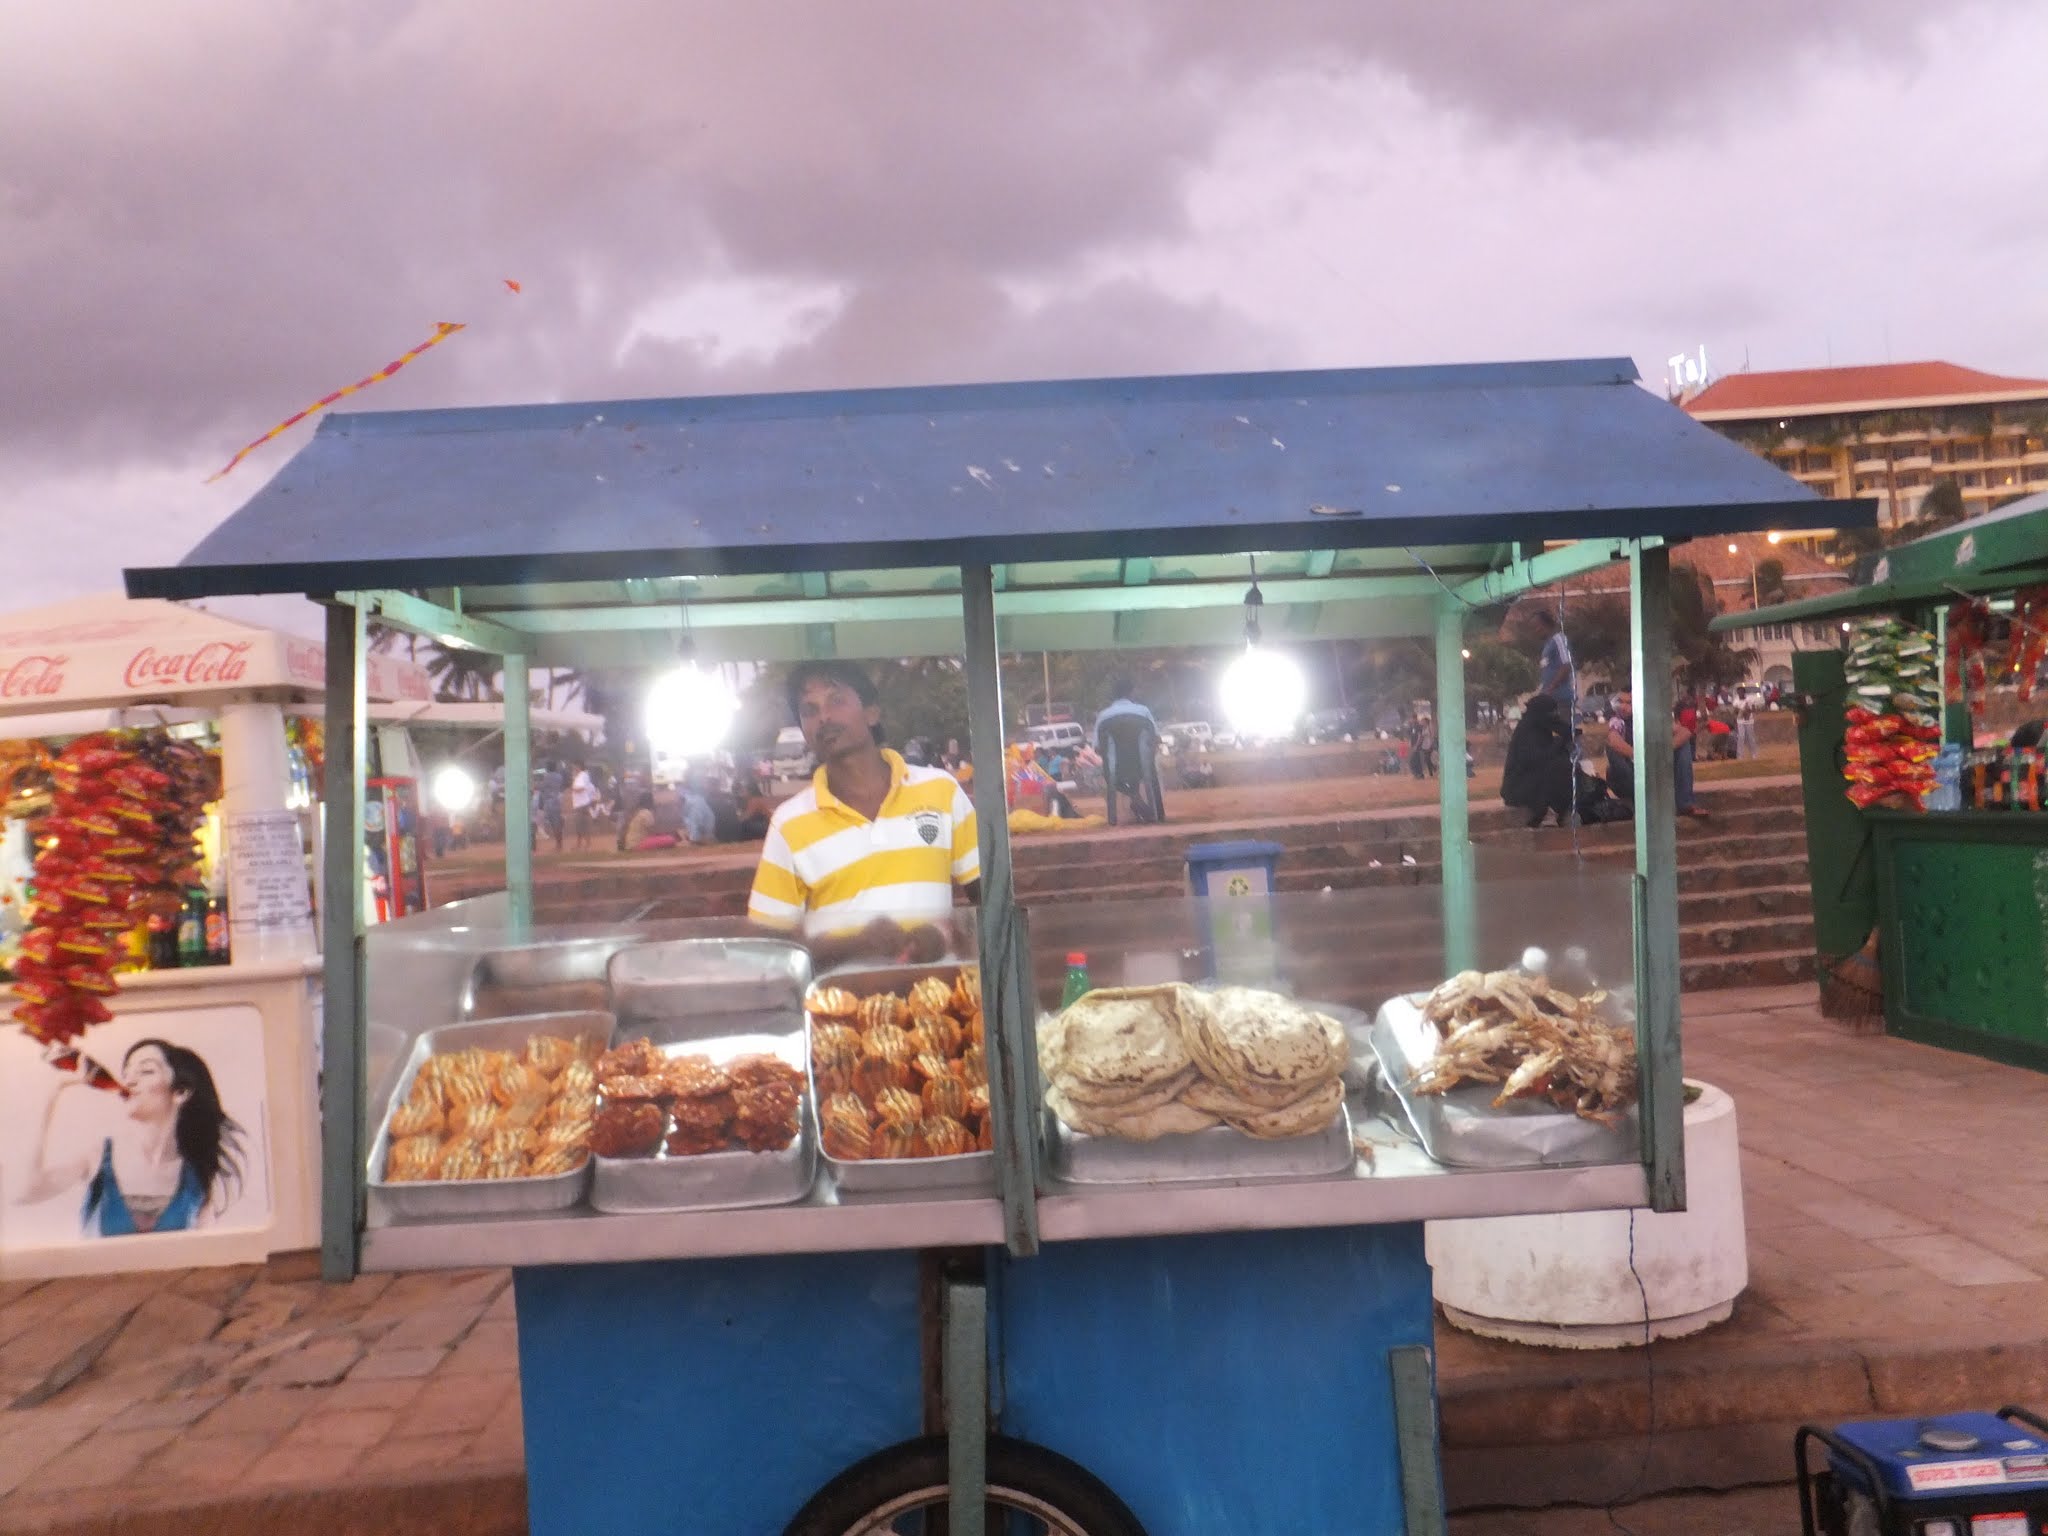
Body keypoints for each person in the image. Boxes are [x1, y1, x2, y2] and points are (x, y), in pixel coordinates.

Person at [748, 661, 980, 960]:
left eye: (837, 700)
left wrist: (947, 934)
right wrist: (856, 943)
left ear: (872, 712)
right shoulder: (789, 823)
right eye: (809, 710)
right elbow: (771, 943)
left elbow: (989, 899)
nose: (824, 717)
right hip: (842, 1003)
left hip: (938, 1000)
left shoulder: (940, 790)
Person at [20, 1039, 247, 1236]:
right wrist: (55, 1090)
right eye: (127, 1072)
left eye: (146, 1071)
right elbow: (26, 1191)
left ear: (180, 1093)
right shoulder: (101, 1156)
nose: (129, 1081)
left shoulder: (195, 1179)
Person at [1606, 690, 1708, 818]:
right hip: (1628, 775)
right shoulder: (1616, 721)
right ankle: (1642, 801)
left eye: (1629, 702)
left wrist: (1662, 752)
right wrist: (1640, 756)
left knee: (1683, 745)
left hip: (1653, 769)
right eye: (1620, 702)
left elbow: (1685, 733)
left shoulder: (1649, 719)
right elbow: (1613, 740)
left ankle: (1685, 803)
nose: (1625, 706)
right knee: (1612, 750)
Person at [1092, 676, 1164, 825]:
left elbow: (1098, 749)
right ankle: (1144, 804)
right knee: (1146, 769)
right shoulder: (1143, 711)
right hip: (1142, 765)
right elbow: (1156, 740)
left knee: (1107, 773)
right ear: (1131, 692)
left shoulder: (1103, 716)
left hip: (1115, 769)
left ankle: (1134, 797)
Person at [1500, 693, 1574, 828]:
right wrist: (1558, 743)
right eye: (1552, 712)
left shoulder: (1540, 725)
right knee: (1558, 766)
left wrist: (1564, 733)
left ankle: (1557, 810)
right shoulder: (1527, 731)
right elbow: (1536, 760)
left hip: (1532, 782)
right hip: (1517, 788)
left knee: (1565, 765)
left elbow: (1567, 731)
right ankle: (1549, 812)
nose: (1555, 715)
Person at [1532, 609, 1576, 713]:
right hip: (1549, 701)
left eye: (1536, 626)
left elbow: (1566, 665)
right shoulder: (1547, 645)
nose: (1535, 630)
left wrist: (1550, 689)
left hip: (1561, 700)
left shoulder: (1559, 639)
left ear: (1544, 624)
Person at [569, 763, 598, 850]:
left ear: (578, 767)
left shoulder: (581, 776)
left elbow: (581, 788)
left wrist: (573, 788)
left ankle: (583, 844)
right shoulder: (583, 776)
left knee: (580, 825)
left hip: (581, 805)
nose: (573, 770)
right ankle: (584, 844)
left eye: (574, 768)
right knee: (583, 825)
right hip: (583, 803)